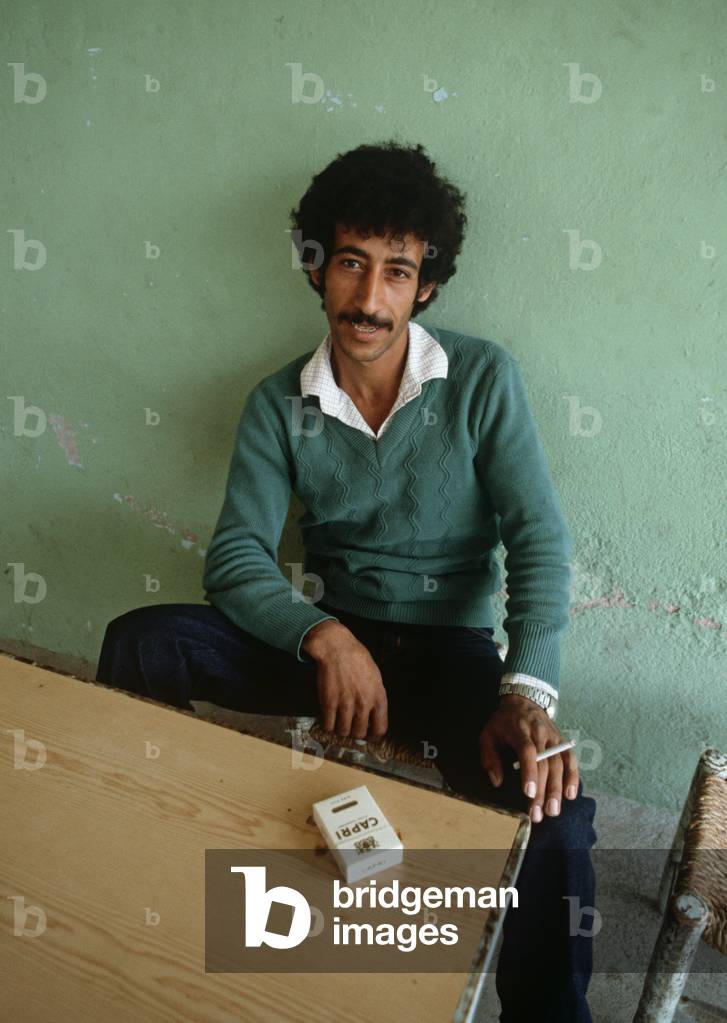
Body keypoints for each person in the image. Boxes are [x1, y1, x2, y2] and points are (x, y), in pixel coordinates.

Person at [96, 140, 597, 1022]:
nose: (369, 298)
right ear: (315, 269)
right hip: (326, 649)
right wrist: (324, 636)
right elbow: (236, 559)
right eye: (350, 264)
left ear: (426, 285)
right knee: (143, 641)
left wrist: (524, 692)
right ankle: (133, 888)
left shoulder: (481, 378)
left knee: (551, 802)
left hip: (449, 655)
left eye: (396, 271)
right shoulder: (276, 402)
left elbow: (539, 542)